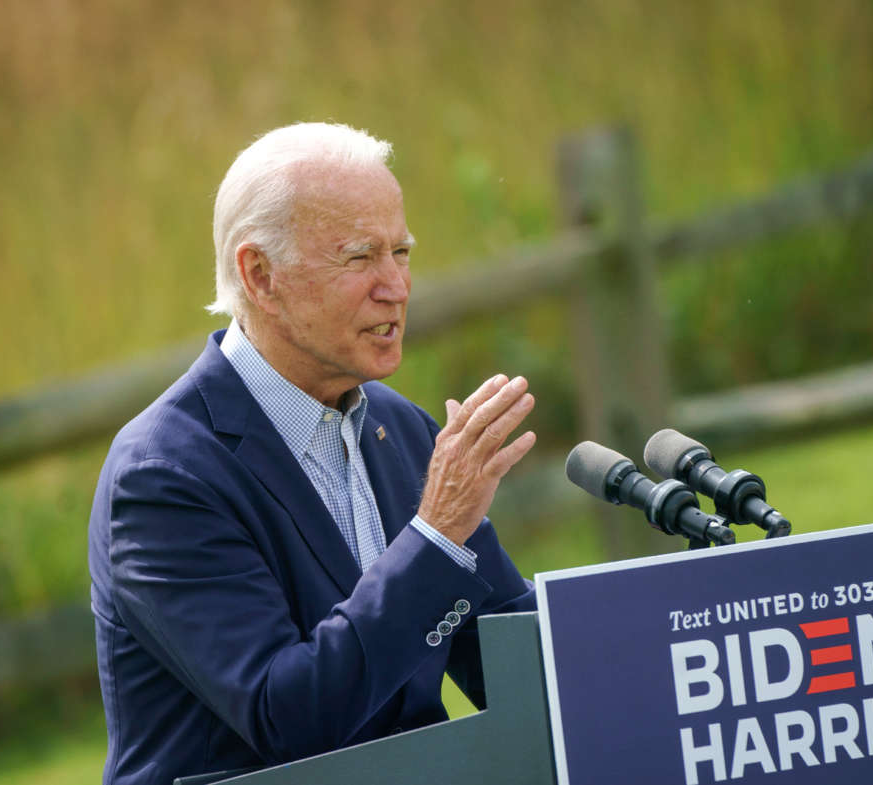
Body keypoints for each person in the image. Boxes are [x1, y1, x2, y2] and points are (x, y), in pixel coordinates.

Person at [88, 122, 539, 785]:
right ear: (260, 275)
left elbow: (509, 656)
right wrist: (435, 536)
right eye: (359, 257)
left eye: (402, 251)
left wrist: (659, 632)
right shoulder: (161, 478)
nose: (396, 286)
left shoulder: (403, 429)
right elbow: (290, 718)